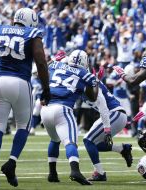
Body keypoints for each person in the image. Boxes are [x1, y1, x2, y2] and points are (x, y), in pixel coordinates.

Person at [0, 8, 50, 189]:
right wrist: (46, 88)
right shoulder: (32, 32)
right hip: (20, 82)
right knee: (23, 126)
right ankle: (12, 162)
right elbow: (40, 59)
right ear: (31, 20)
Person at [40, 50, 98, 185]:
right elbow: (93, 97)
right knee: (70, 142)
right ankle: (75, 171)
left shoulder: (56, 65)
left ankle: (52, 173)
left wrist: (54, 60)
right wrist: (95, 81)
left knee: (54, 140)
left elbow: (39, 72)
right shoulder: (85, 74)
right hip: (63, 109)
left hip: (46, 109)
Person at [83, 74, 132, 181]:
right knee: (94, 144)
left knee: (88, 140)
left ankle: (100, 173)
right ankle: (122, 149)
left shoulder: (90, 81)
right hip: (115, 115)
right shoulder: (82, 81)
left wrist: (107, 129)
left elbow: (103, 107)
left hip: (113, 113)